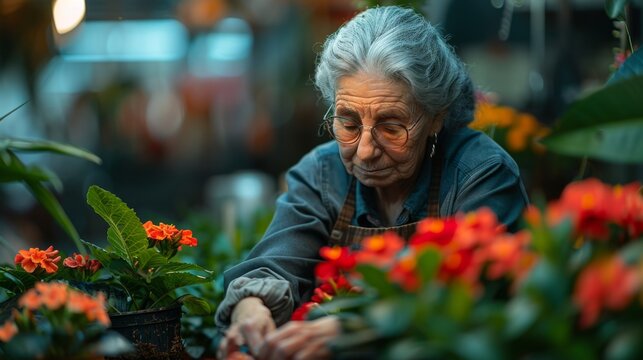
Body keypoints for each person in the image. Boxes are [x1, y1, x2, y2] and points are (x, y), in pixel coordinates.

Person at [216, 5, 529, 359]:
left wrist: (354, 327)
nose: (364, 152)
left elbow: (477, 296)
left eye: (392, 127)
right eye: (348, 124)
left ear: (436, 117)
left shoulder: (480, 174)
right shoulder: (321, 174)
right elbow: (276, 264)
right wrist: (252, 310)